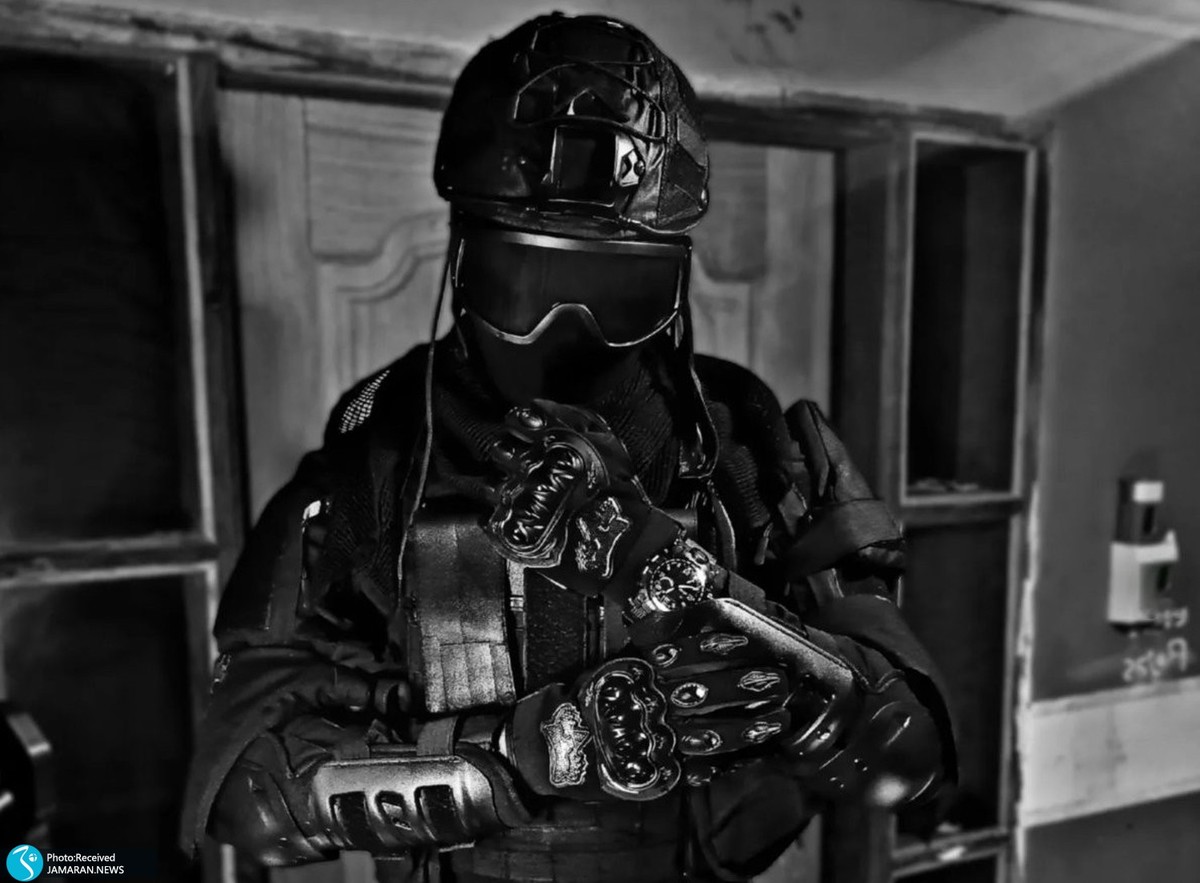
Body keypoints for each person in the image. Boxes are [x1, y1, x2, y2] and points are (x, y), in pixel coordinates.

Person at [180, 13, 956, 883]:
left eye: (617, 290)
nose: (567, 328)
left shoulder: (744, 438)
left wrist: (674, 579)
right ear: (464, 261)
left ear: (672, 281)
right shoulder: (380, 448)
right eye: (529, 281)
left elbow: (906, 759)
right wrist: (530, 753)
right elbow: (246, 791)